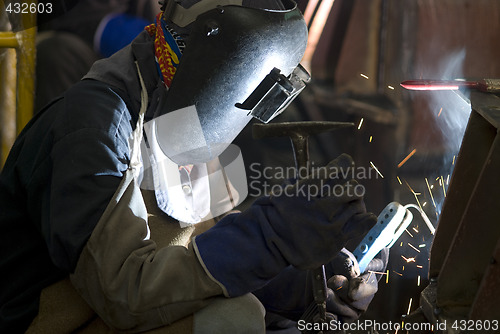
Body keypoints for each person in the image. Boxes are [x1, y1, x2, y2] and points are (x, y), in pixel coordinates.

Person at [0, 0, 387, 332]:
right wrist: (271, 235)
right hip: (50, 323)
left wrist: (304, 278)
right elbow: (124, 293)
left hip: (115, 310)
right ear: (216, 48)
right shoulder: (92, 126)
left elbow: (202, 258)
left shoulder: (184, 116)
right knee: (234, 319)